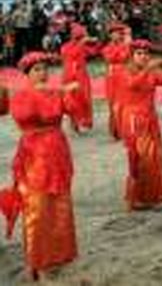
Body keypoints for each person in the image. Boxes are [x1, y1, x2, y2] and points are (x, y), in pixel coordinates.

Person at [0, 52, 77, 280]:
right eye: (36, 70)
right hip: (34, 154)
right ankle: (38, 258)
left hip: (57, 151)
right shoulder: (22, 96)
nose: (42, 74)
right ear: (27, 75)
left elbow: (73, 109)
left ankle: (60, 254)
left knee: (59, 204)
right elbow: (24, 114)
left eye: (45, 69)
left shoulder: (55, 92)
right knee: (37, 206)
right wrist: (46, 94)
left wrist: (71, 94)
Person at [120, 40, 162, 211]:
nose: (143, 56)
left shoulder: (149, 73)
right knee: (141, 157)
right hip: (134, 119)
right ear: (132, 56)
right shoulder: (125, 72)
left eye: (146, 53)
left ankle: (148, 196)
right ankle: (135, 198)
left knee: (153, 156)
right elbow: (132, 84)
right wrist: (148, 69)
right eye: (139, 53)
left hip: (150, 118)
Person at [60, 23, 98, 132]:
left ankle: (83, 120)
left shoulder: (82, 46)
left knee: (84, 97)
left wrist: (95, 43)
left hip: (80, 74)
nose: (82, 38)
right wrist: (83, 43)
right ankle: (74, 121)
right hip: (70, 74)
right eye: (80, 37)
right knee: (72, 99)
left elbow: (94, 52)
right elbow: (70, 54)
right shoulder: (66, 47)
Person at [101, 23, 131, 140]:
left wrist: (126, 45)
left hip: (123, 75)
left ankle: (124, 129)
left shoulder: (127, 45)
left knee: (124, 102)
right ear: (110, 35)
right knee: (113, 103)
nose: (116, 35)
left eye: (119, 33)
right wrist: (123, 49)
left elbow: (126, 57)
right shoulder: (107, 48)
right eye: (114, 33)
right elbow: (112, 58)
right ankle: (116, 130)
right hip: (112, 77)